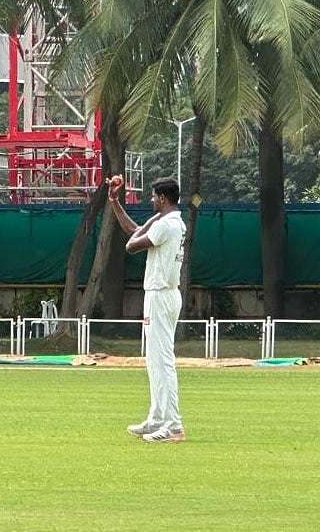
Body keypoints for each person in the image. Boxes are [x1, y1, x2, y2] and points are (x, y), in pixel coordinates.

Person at [108, 176, 187, 443]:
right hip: (162, 294)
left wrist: (153, 220)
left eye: (154, 197)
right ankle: (157, 417)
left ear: (163, 199)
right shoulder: (169, 222)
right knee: (155, 361)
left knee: (163, 361)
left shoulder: (167, 224)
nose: (151, 201)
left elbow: (131, 245)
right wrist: (114, 201)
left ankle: (173, 425)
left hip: (161, 295)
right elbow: (135, 230)